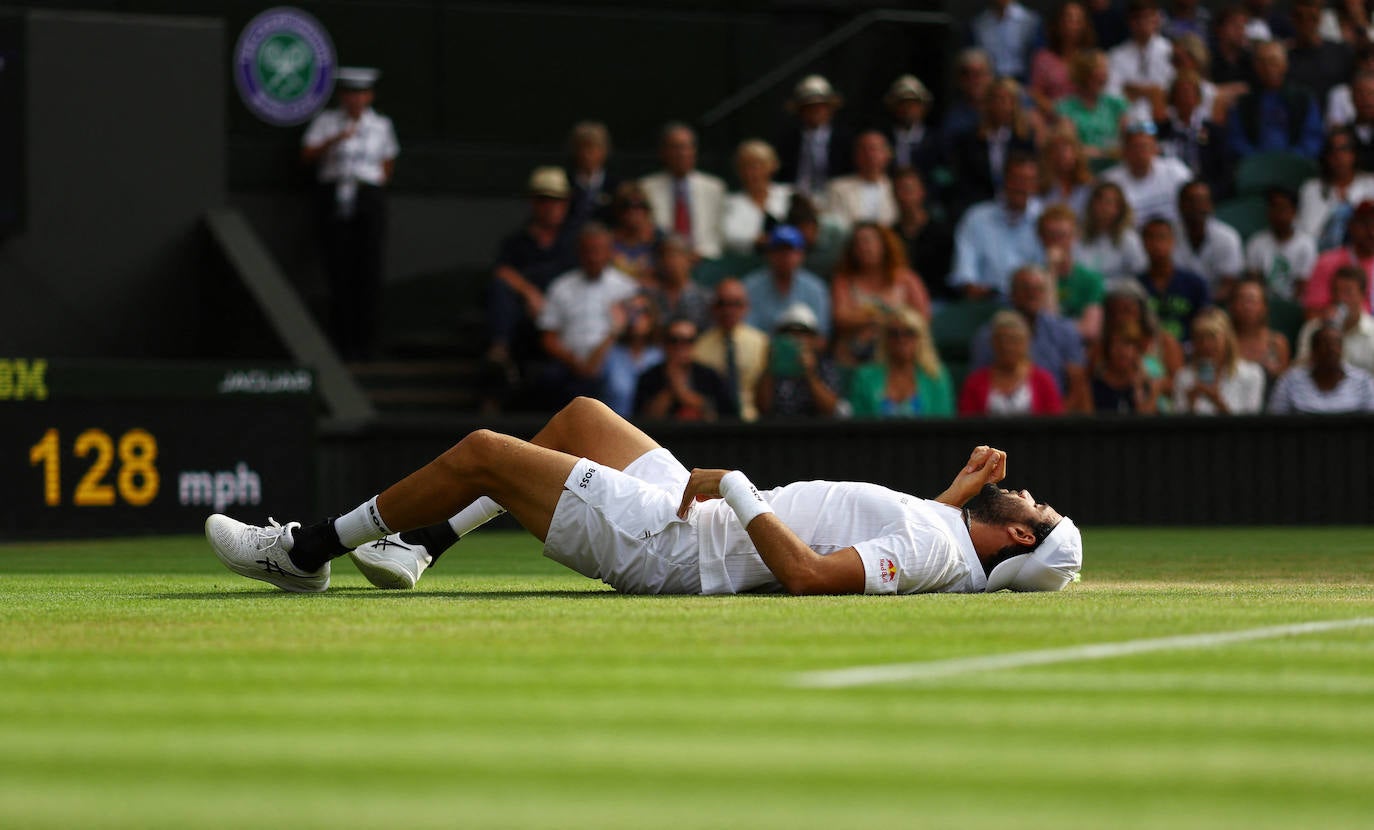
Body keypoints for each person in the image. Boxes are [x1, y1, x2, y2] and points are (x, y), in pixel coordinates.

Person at [205, 396, 1083, 596]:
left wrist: (737, 488)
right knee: (584, 416)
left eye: (1036, 515)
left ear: (1016, 545)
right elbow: (868, 541)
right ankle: (421, 545)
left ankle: (306, 551)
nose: (1031, 496)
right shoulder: (947, 535)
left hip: (674, 545)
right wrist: (955, 497)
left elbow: (814, 576)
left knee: (480, 452)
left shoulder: (938, 549)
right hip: (696, 517)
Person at [300, 67, 399, 361]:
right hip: (334, 196)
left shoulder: (381, 125)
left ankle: (367, 344)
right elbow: (306, 156)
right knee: (338, 270)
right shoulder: (326, 122)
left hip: (367, 197)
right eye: (350, 93)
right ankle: (341, 343)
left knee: (368, 269)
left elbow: (387, 163)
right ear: (343, 96)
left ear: (369, 96)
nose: (355, 100)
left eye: (361, 94)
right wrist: (335, 139)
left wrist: (371, 187)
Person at [486, 166, 578, 378]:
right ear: (533, 202)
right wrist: (529, 292)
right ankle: (499, 356)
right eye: (544, 200)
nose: (551, 207)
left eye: (557, 200)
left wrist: (552, 305)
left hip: (565, 316)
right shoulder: (517, 241)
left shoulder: (574, 241)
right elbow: (501, 271)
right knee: (499, 292)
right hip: (526, 315)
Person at [535, 223, 640, 409]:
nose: (594, 257)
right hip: (569, 359)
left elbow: (639, 331)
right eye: (588, 251)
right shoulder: (561, 286)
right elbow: (548, 338)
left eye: (599, 250)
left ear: (610, 252)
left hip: (612, 356)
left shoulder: (626, 287)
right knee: (545, 380)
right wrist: (573, 361)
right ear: (579, 253)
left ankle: (619, 435)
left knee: (619, 384)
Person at [970, 265, 1092, 408]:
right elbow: (977, 385)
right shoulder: (988, 335)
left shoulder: (1065, 331)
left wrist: (1057, 421)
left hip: (1055, 415)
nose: (1032, 294)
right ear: (1012, 293)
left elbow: (1078, 386)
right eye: (1025, 288)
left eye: (1038, 289)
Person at [949, 151, 1045, 300]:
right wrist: (976, 290)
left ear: (1036, 185)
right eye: (1017, 179)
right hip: (987, 304)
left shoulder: (1045, 219)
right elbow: (965, 274)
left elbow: (1049, 272)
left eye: (1028, 181)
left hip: (1033, 304)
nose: (1021, 187)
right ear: (1004, 180)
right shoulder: (976, 217)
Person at [830, 222, 932, 358]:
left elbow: (923, 317)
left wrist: (875, 317)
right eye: (858, 243)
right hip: (857, 352)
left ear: (884, 244)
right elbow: (840, 318)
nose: (864, 248)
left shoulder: (907, 279)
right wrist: (881, 317)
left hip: (900, 349)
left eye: (869, 241)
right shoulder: (844, 280)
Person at [948, 78, 1040, 218]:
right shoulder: (970, 139)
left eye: (1007, 99)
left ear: (1015, 104)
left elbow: (1031, 176)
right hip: (979, 206)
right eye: (996, 99)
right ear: (987, 103)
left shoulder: (1025, 139)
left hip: (1018, 205)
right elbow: (965, 180)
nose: (1001, 105)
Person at [847, 306, 954, 418]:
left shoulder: (936, 376)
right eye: (894, 333)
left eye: (909, 333)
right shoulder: (865, 377)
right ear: (885, 339)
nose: (901, 339)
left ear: (921, 338)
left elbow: (943, 427)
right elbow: (859, 426)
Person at [640, 123, 727, 260]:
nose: (682, 153)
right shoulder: (646, 187)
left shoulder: (714, 187)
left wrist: (700, 253)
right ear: (663, 152)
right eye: (675, 148)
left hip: (706, 259)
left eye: (687, 147)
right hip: (663, 260)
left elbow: (720, 232)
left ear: (694, 151)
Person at [1226, 40, 1323, 160]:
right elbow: (1236, 140)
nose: (1268, 68)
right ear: (1255, 67)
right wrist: (1259, 161)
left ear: (1285, 65)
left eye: (1273, 62)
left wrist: (1288, 161)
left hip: (1296, 167)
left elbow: (1312, 139)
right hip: (1255, 169)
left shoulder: (1303, 99)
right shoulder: (1244, 102)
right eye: (1262, 62)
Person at [958, 310, 1066, 416]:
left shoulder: (1044, 381)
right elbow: (967, 426)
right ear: (993, 343)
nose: (1007, 346)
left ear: (1026, 343)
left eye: (1014, 340)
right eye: (1001, 339)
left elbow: (1054, 424)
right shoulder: (975, 383)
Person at [693, 278, 770, 422]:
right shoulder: (699, 347)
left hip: (755, 422)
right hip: (713, 425)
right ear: (713, 308)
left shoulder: (762, 343)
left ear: (746, 307)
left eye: (736, 304)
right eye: (722, 304)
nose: (728, 311)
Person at [633, 317, 738, 421]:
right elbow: (644, 419)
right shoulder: (648, 377)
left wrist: (682, 393)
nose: (680, 346)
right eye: (674, 340)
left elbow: (721, 416)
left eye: (687, 341)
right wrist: (671, 389)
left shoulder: (710, 376)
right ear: (664, 344)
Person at [756, 303, 848, 419]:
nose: (796, 339)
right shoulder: (773, 365)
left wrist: (810, 375)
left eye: (803, 333)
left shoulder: (824, 365)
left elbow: (833, 409)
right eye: (788, 332)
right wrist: (770, 368)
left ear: (814, 339)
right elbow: (762, 408)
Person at [742, 225, 832, 338]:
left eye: (791, 251)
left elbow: (822, 336)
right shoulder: (750, 287)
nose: (785, 257)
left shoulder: (816, 288)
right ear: (769, 254)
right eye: (779, 251)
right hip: (760, 350)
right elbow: (745, 332)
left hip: (805, 351)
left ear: (801, 254)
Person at [1171, 308, 1265, 414]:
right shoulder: (1183, 377)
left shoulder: (1251, 374)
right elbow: (1178, 427)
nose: (1206, 344)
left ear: (1227, 339)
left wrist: (1218, 402)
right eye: (1200, 338)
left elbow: (1252, 426)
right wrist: (1190, 406)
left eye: (1212, 337)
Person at [1101, 120, 1194, 226]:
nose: (1141, 152)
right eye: (1136, 147)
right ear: (1124, 151)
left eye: (1146, 146)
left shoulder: (1175, 170)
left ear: (1155, 149)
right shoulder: (1110, 181)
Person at [1296, 127, 1374, 252]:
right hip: (1321, 258)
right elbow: (1306, 234)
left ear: (1354, 154)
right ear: (1326, 156)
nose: (1338, 156)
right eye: (1332, 151)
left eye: (1344, 149)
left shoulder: (1371, 185)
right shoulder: (1311, 189)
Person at [1267, 322, 1374, 412]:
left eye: (1336, 344)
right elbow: (1276, 424)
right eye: (1325, 344)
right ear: (1314, 351)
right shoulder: (1290, 381)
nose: (1332, 349)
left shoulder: (1363, 381)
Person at [777, 75, 853, 202]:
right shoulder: (788, 141)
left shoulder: (845, 140)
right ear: (800, 111)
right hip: (796, 201)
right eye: (809, 107)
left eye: (820, 106)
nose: (815, 111)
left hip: (835, 200)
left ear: (830, 109)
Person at [1137, 217, 1211, 344]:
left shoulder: (1195, 283)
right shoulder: (1136, 286)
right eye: (1150, 238)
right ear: (1143, 243)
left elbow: (1206, 324)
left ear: (1173, 241)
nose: (1156, 244)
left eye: (1161, 237)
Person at [1038, 203, 1106, 341]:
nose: (1057, 242)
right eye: (1051, 235)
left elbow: (1090, 329)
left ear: (1076, 236)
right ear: (1041, 238)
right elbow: (1046, 321)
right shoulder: (1032, 278)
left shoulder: (1091, 279)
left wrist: (1057, 329)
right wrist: (1051, 272)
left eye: (1063, 235)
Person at [891, 167, 956, 303]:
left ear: (922, 192)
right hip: (899, 302)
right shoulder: (890, 235)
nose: (904, 196)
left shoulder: (943, 233)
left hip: (936, 301)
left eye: (909, 190)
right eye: (898, 190)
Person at [1172, 179, 1244, 302]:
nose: (1196, 206)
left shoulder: (1227, 237)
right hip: (1176, 304)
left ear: (1211, 205)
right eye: (1191, 201)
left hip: (1215, 305)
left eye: (1202, 201)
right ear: (1179, 205)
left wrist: (1202, 304)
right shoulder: (1168, 235)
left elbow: (1229, 284)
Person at [1294, 265, 1374, 373]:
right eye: (1336, 291)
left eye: (1348, 292)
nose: (1340, 298)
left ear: (1362, 295)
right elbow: (1300, 370)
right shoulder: (1314, 327)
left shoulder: (1372, 333)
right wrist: (1325, 332)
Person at [720, 139, 793, 257]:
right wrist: (756, 241)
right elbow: (725, 238)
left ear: (772, 166)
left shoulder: (789, 195)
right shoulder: (729, 203)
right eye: (744, 166)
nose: (750, 173)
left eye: (757, 166)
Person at [1106, 0, 1176, 122]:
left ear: (1157, 19)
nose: (1143, 22)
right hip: (1128, 120)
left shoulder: (1170, 51)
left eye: (1148, 16)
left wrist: (1132, 89)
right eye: (1137, 18)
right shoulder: (1116, 55)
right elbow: (1112, 93)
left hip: (1164, 118)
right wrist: (1152, 91)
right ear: (1129, 22)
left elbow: (1171, 90)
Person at [1245, 186, 1317, 302]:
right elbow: (1254, 283)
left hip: (1294, 306)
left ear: (1294, 212)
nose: (1279, 213)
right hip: (1264, 304)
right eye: (1274, 207)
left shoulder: (1306, 244)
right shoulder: (1256, 243)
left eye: (1283, 208)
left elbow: (1302, 287)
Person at [1303, 199, 1374, 316]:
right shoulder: (1328, 262)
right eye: (1366, 224)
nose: (1372, 232)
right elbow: (1311, 314)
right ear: (1352, 226)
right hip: (1344, 331)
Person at [1055, 49, 1130, 159]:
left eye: (1105, 70)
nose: (1104, 75)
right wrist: (1106, 153)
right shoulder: (1065, 108)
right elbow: (1071, 147)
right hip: (1083, 169)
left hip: (1116, 169)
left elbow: (1128, 142)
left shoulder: (1116, 104)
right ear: (1083, 75)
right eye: (1098, 70)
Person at [1030, 2, 1097, 118]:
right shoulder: (1043, 58)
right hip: (1054, 117)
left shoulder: (1092, 58)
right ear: (1058, 23)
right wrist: (1058, 112)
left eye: (1078, 20)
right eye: (1068, 18)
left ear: (1085, 25)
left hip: (1086, 117)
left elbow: (1098, 93)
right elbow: (1035, 93)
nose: (1072, 25)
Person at [600, 293, 663, 418]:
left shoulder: (660, 354)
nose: (636, 317)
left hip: (650, 430)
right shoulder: (611, 352)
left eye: (643, 311)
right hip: (614, 425)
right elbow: (588, 373)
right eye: (632, 311)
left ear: (652, 317)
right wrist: (614, 331)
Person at [1286, 0, 1353, 112]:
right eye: (1300, 17)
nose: (1306, 22)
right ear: (1292, 19)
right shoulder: (1284, 58)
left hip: (1336, 123)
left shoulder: (1341, 52)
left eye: (1312, 17)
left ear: (1320, 18)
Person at [824, 131, 899, 230]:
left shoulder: (897, 187)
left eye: (874, 149)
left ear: (888, 154)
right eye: (863, 149)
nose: (869, 154)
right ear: (855, 155)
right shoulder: (837, 187)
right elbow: (837, 227)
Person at [1079, 180, 1148, 281]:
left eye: (1109, 203)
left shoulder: (1129, 238)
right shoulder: (1078, 236)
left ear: (1119, 209)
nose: (1103, 207)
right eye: (1099, 201)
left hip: (1119, 293)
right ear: (1091, 205)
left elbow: (1140, 271)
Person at [1227, 278, 1292, 383]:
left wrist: (1275, 372)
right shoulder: (1224, 341)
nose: (1247, 306)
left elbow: (1284, 385)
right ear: (1232, 306)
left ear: (1264, 307)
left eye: (1252, 301)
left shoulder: (1277, 343)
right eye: (1242, 300)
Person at [1090, 321, 1162, 413]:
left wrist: (1139, 390)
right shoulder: (1094, 386)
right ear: (1108, 349)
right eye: (1116, 343)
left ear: (1137, 350)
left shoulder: (1148, 386)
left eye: (1127, 344)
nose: (1122, 350)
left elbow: (1146, 422)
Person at [646, 234, 711, 334]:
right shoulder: (650, 297)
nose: (670, 261)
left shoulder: (705, 299)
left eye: (675, 255)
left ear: (689, 259)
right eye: (665, 256)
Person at [968, 0, 1045, 83]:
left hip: (1024, 80)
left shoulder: (1030, 21)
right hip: (989, 82)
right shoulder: (978, 24)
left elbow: (1039, 57)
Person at [564, 121, 620, 233]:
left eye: (592, 148)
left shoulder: (616, 185)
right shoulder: (564, 182)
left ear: (604, 151)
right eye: (582, 148)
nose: (586, 154)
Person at [882, 75, 943, 173]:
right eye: (902, 104)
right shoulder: (883, 139)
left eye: (913, 104)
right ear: (893, 107)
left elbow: (944, 176)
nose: (908, 109)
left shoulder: (936, 140)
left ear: (923, 108)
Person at [940, 49, 996, 150]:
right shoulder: (953, 120)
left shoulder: (1007, 111)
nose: (973, 80)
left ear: (990, 76)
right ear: (958, 80)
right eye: (966, 74)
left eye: (978, 74)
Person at [608, 181, 662, 285]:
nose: (635, 212)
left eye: (640, 206)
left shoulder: (660, 240)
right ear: (618, 210)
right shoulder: (607, 241)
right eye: (628, 206)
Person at [1038, 123, 1096, 216]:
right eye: (1056, 149)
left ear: (1077, 153)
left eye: (1066, 149)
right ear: (1048, 156)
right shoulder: (1040, 187)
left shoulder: (1088, 186)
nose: (1062, 155)